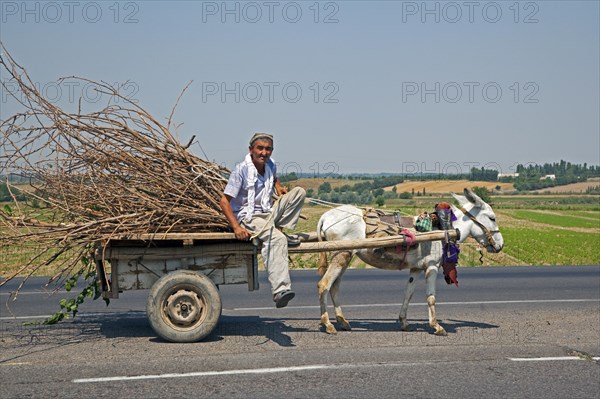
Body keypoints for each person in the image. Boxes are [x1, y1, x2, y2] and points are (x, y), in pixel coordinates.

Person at [220, 133, 306, 308]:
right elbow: (224, 201)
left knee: (299, 192)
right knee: (278, 240)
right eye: (260, 148)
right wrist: (236, 227)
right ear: (251, 150)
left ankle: (277, 229)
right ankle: (280, 290)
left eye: (268, 149)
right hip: (249, 217)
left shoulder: (270, 165)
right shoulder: (241, 170)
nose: (264, 152)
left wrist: (279, 187)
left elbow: (274, 178)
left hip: (268, 213)